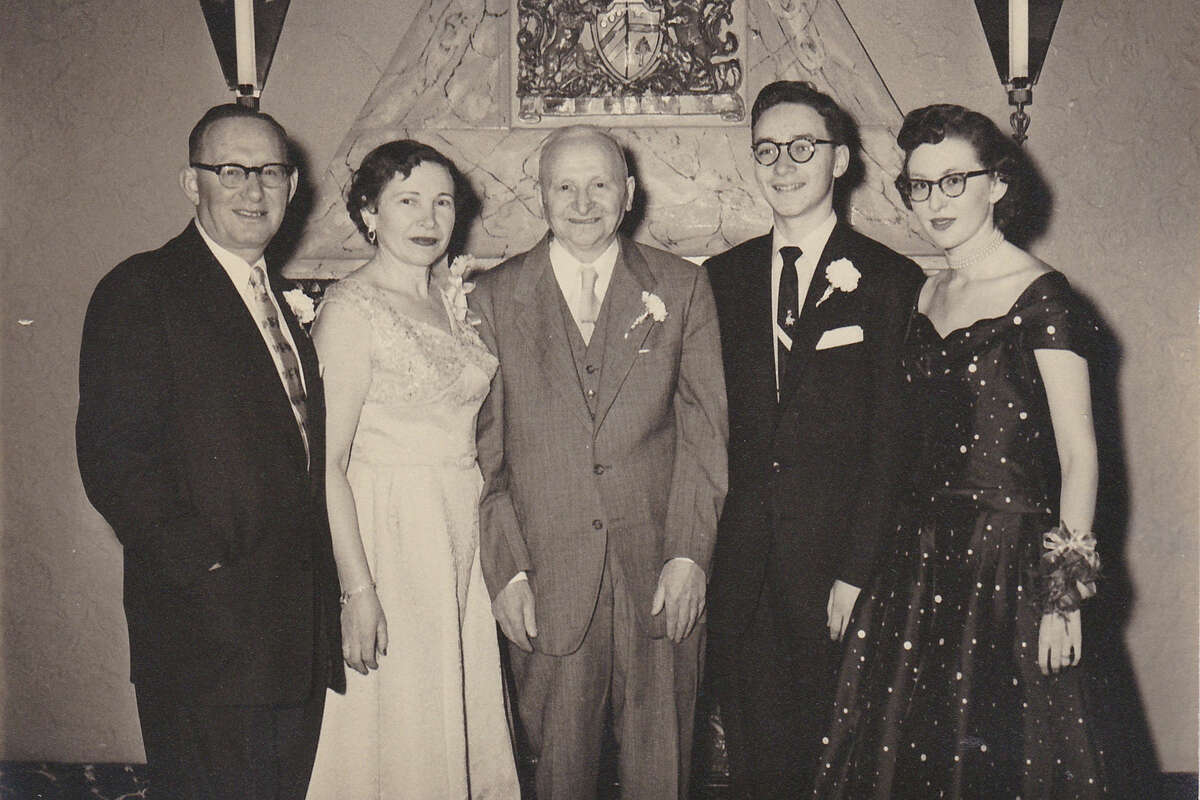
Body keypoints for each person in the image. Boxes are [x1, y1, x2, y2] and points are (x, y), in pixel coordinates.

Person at [812, 104, 1108, 798]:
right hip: (918, 558)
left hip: (1008, 563)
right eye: (919, 185)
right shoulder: (927, 290)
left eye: (954, 182)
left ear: (998, 185)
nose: (934, 203)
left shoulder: (1043, 297)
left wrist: (1065, 598)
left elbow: (1080, 455)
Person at [76, 103, 343, 798]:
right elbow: (113, 457)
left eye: (272, 173)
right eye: (232, 171)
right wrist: (204, 565)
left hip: (291, 636)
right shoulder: (143, 289)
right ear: (192, 184)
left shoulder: (278, 301)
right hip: (207, 636)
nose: (255, 191)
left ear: (293, 186)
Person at [470, 125, 728, 799]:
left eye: (599, 185)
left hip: (659, 574)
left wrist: (689, 556)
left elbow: (704, 434)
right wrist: (507, 570)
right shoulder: (491, 300)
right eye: (564, 186)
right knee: (559, 774)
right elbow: (483, 459)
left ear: (629, 194)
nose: (582, 203)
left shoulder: (683, 287)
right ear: (541, 197)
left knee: (661, 771)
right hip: (546, 581)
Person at [703, 80, 924, 798]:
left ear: (840, 161)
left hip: (839, 570)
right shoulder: (718, 280)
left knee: (844, 765)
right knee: (759, 765)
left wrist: (857, 571)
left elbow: (894, 440)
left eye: (803, 147)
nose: (783, 164)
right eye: (766, 150)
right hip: (742, 570)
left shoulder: (891, 280)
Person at [303, 140, 520, 798]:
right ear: (370, 215)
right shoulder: (349, 311)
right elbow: (328, 467)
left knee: (455, 711)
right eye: (407, 201)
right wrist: (358, 592)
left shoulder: (452, 303)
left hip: (457, 526)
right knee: (398, 723)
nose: (428, 217)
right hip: (391, 537)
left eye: (442, 201)